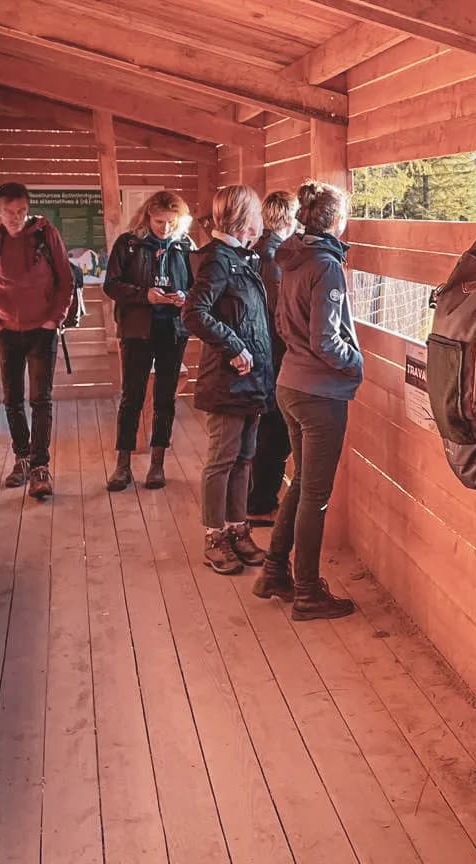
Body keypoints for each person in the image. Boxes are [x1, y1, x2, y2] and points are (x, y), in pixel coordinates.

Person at [253, 179, 362, 621]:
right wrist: (354, 363)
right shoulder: (327, 266)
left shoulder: (292, 258)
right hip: (320, 394)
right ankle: (307, 591)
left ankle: (274, 571)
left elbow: (285, 324)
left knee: (299, 485)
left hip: (291, 385)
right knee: (315, 495)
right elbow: (325, 339)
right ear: (337, 221)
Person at [183, 185, 274, 574]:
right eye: (256, 213)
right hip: (227, 380)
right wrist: (235, 346)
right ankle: (214, 536)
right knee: (221, 460)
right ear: (242, 217)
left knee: (243, 459)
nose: (261, 221)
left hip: (251, 382)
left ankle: (238, 530)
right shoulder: (218, 259)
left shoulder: (239, 258)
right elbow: (194, 313)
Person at [0, 181, 76, 501]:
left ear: (28, 208)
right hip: (7, 331)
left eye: (21, 211)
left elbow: (66, 281)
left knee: (40, 399)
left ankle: (40, 468)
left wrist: (53, 320)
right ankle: (21, 458)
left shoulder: (47, 236)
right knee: (12, 398)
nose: (16, 218)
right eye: (9, 212)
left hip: (42, 331)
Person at [103, 189, 193, 492]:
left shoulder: (185, 246)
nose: (164, 228)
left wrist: (185, 297)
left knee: (166, 399)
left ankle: (157, 464)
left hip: (173, 330)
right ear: (147, 216)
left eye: (170, 222)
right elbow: (111, 285)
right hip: (136, 330)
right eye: (158, 222)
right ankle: (123, 465)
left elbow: (199, 288)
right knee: (132, 397)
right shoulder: (128, 244)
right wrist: (144, 296)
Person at [247, 189, 299, 525]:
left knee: (265, 430)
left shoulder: (256, 251)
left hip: (261, 354)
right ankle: (261, 502)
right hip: (275, 357)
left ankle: (256, 497)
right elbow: (278, 313)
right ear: (288, 218)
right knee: (275, 433)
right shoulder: (275, 258)